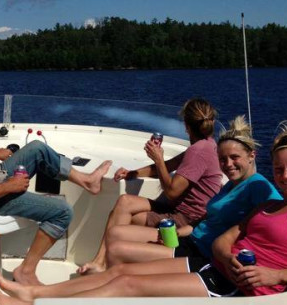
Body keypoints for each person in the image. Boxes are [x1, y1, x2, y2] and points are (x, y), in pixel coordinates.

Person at [0, 123, 287, 305]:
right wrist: (224, 253)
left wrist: (278, 276)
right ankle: (36, 295)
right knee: (119, 275)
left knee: (129, 283)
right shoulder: (273, 203)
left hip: (238, 291)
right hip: (216, 267)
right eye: (280, 169)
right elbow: (226, 237)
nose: (285, 175)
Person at [0, 79, 112, 286]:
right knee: (63, 212)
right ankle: (26, 271)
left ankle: (87, 181)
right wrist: (13, 185)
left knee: (37, 148)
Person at [105, 115, 281, 266]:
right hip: (188, 237)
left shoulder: (258, 186)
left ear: (252, 156)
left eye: (235, 157)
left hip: (200, 252)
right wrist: (178, 232)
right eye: (222, 159)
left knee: (117, 250)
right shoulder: (230, 185)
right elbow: (204, 221)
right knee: (115, 233)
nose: (228, 165)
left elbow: (278, 220)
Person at [78, 97, 223, 274]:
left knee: (120, 218)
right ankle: (101, 262)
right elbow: (167, 167)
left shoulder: (198, 151)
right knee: (124, 202)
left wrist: (158, 157)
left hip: (184, 219)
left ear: (186, 125)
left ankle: (108, 265)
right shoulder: (206, 145)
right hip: (178, 210)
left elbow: (171, 191)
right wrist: (132, 173)